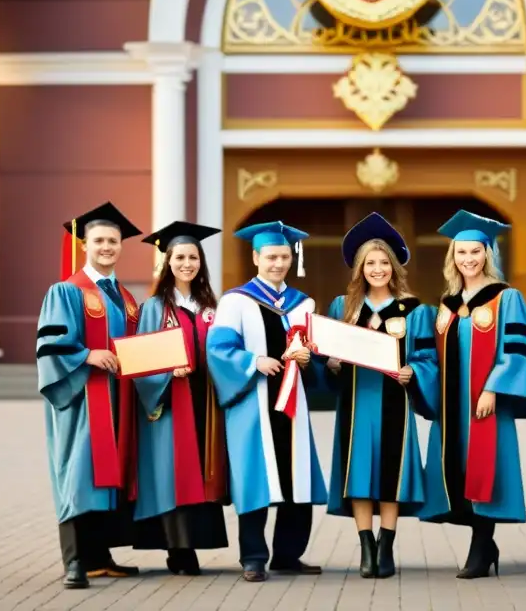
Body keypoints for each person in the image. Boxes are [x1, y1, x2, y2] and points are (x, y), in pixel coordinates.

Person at [418, 210, 526, 579]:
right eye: (461, 253)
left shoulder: (507, 299)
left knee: (484, 469)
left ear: (488, 253)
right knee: (457, 470)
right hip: (454, 406)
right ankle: (484, 545)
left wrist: (493, 388)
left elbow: (517, 348)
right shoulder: (447, 304)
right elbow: (432, 357)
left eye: (475, 252)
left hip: (486, 403)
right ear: (452, 257)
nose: (468, 259)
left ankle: (481, 545)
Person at [205, 221, 328, 582]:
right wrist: (253, 361)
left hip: (293, 404)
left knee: (296, 479)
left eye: (284, 257)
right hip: (251, 404)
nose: (277, 263)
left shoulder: (303, 303)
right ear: (255, 256)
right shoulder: (235, 301)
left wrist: (309, 359)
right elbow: (218, 350)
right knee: (254, 479)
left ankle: (288, 555)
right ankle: (253, 557)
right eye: (271, 256)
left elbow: (314, 353)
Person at [324, 213, 438, 579]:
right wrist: (333, 364)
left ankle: (386, 545)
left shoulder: (414, 310)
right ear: (359, 269)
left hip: (394, 403)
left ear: (394, 266)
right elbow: (327, 358)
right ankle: (366, 546)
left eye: (383, 262)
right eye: (370, 263)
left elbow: (426, 358)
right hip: (356, 403)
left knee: (391, 474)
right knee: (358, 475)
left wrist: (415, 371)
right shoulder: (343, 308)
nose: (377, 269)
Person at [35, 202, 143, 589]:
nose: (107, 247)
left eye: (113, 241)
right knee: (79, 472)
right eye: (99, 240)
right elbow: (52, 345)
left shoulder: (127, 299)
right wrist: (87, 354)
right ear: (85, 244)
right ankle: (75, 561)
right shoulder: (66, 291)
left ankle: (100, 556)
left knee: (107, 474)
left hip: (118, 400)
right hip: (82, 398)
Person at [130, 221, 230, 575]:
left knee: (202, 474)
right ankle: (179, 549)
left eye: (193, 257)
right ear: (167, 263)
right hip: (171, 404)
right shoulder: (156, 307)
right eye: (180, 257)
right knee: (173, 474)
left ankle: (195, 543)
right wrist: (166, 374)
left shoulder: (211, 308)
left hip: (206, 405)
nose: (187, 263)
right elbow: (139, 361)